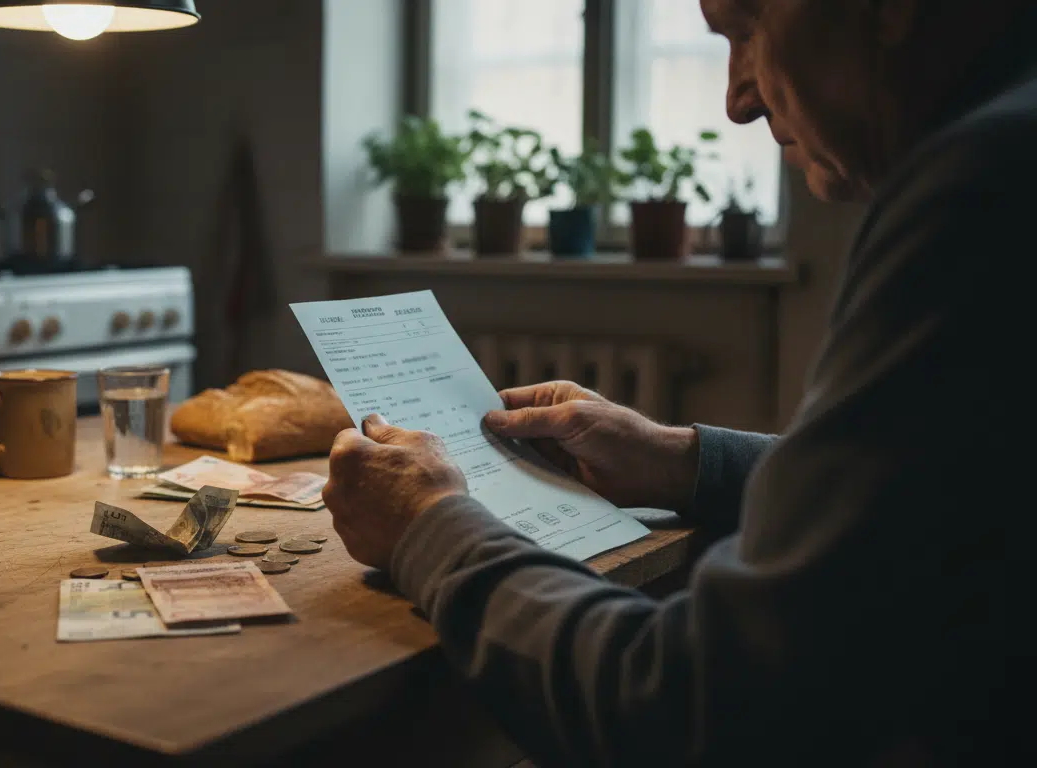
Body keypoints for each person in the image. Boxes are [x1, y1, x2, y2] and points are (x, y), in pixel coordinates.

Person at [321, 1, 1037, 765]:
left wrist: (431, 527)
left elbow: (698, 708)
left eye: (745, 30)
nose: (737, 100)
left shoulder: (989, 184)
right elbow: (935, 497)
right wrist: (682, 460)